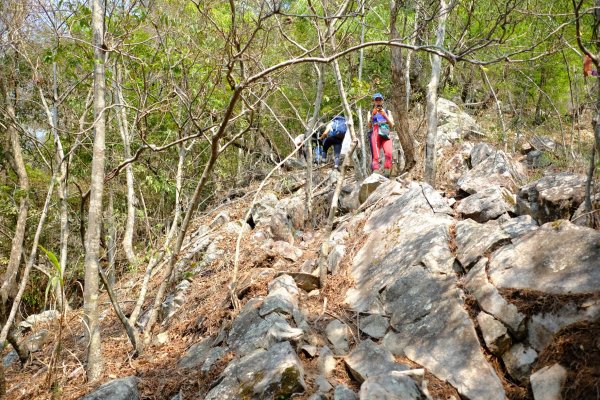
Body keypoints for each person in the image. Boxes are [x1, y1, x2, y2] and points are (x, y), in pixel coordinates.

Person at [367, 93, 395, 176]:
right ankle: (375, 175)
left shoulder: (387, 111)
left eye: (380, 100)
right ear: (374, 101)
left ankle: (387, 175)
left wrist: (385, 115)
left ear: (382, 101)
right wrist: (372, 115)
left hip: (385, 129)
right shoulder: (370, 112)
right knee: (376, 156)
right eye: (376, 100)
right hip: (375, 131)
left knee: (389, 153)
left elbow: (392, 125)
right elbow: (369, 126)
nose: (378, 102)